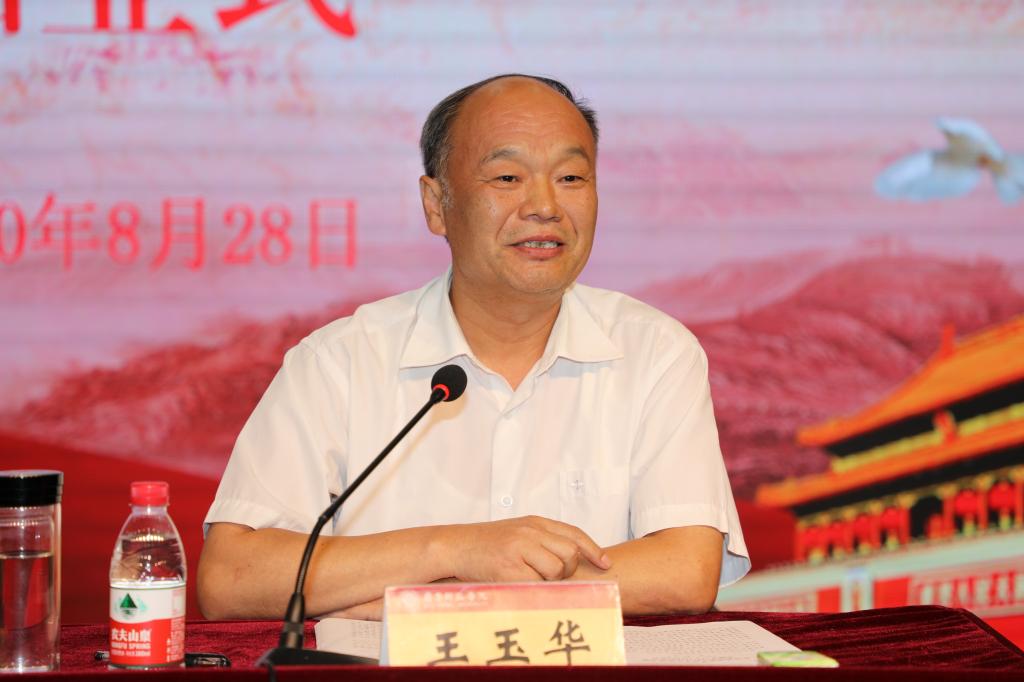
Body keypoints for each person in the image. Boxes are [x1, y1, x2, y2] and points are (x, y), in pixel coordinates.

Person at [197, 74, 749, 621]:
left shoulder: (655, 352)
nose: (545, 206)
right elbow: (231, 577)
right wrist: (452, 549)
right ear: (437, 204)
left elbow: (684, 570)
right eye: (507, 177)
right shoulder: (338, 362)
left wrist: (430, 596)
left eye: (571, 177)